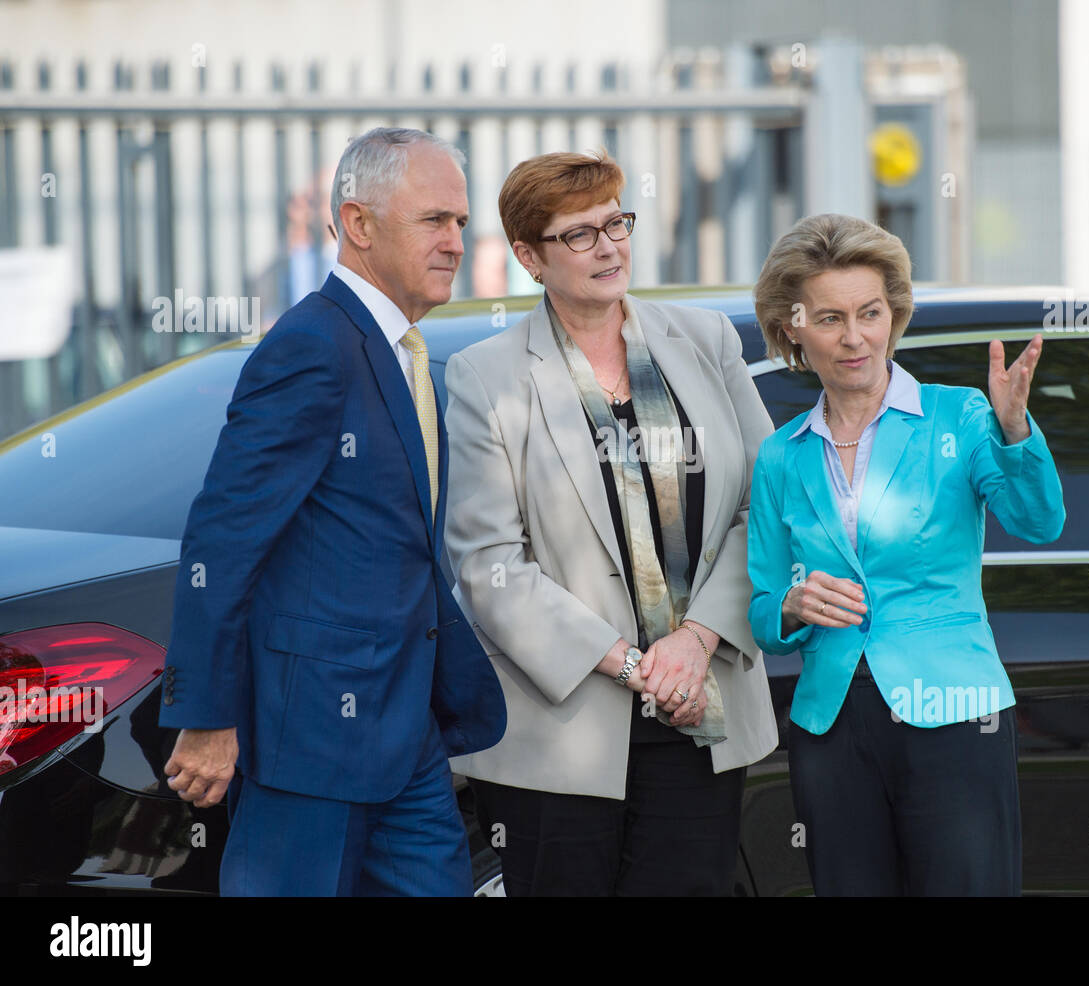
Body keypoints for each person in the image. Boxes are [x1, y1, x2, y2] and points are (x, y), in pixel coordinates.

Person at [159, 128, 506, 896]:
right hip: (309, 739)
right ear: (358, 224)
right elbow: (223, 539)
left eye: (460, 221)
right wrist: (211, 716)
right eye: (435, 221)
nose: (456, 240)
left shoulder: (397, 348)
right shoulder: (312, 345)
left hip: (404, 733)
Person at [443, 150, 778, 896]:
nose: (609, 246)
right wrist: (636, 668)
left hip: (702, 712)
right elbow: (488, 565)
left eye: (616, 222)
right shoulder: (484, 376)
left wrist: (696, 643)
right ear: (529, 256)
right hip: (560, 733)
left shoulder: (706, 340)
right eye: (580, 234)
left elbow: (771, 506)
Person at [746, 213, 1066, 896]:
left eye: (870, 313)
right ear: (793, 327)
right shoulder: (780, 455)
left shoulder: (961, 416)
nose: (855, 336)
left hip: (953, 712)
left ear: (894, 314)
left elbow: (1039, 522)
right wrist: (794, 604)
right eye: (830, 318)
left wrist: (1014, 431)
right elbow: (764, 615)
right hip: (831, 724)